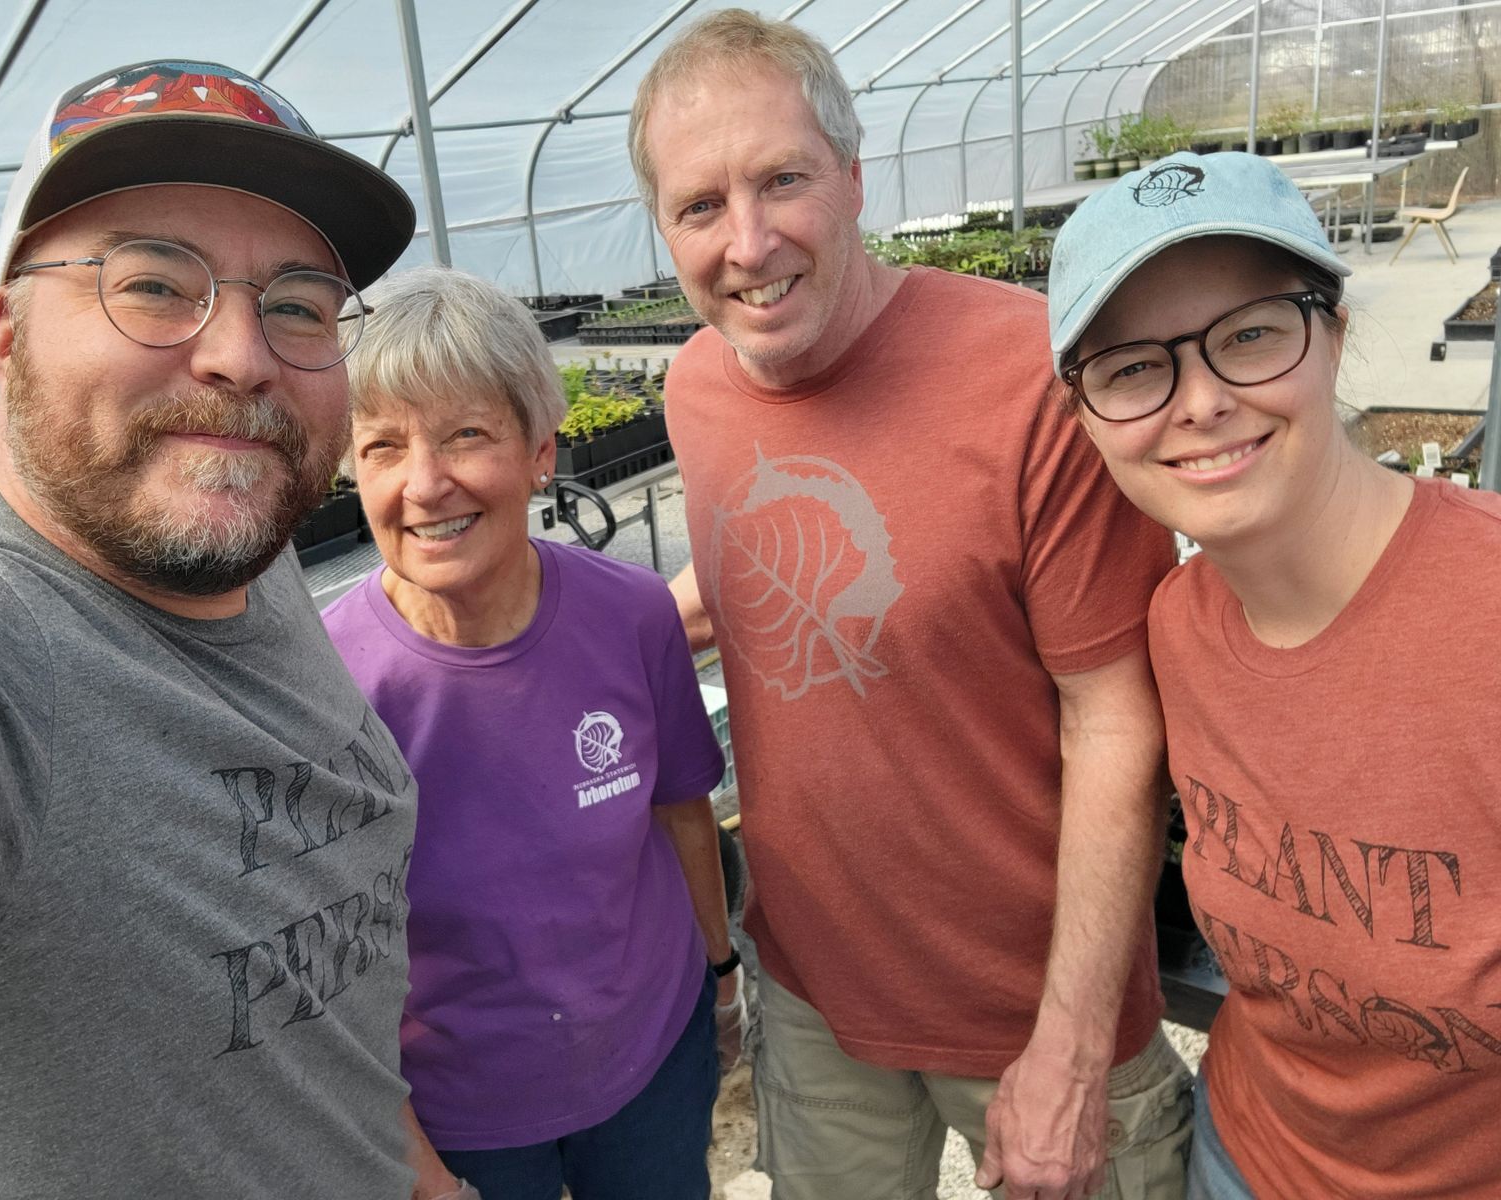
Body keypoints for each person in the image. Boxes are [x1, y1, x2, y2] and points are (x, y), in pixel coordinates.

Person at [628, 11, 1194, 1200]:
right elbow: (743, 584)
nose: (746, 241)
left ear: (851, 176)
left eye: (781, 180)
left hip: (1029, 1008)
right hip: (818, 996)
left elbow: (1117, 717)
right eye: (697, 206)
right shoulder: (693, 387)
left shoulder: (1026, 380)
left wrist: (1074, 1050)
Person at [0, 61, 428, 1198]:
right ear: (4, 339)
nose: (239, 356)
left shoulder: (250, 549)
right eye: (151, 283)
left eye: (295, 305)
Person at [1048, 150, 1501, 1200]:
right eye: (1132, 368)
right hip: (1242, 1159)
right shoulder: (1177, 629)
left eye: (1249, 335)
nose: (1200, 401)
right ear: (1085, 418)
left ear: (1332, 336)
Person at [320, 264, 736, 1200]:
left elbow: (681, 812)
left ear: (542, 452)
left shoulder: (630, 617)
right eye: (383, 446)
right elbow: (333, 962)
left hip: (648, 1064)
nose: (425, 484)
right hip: (460, 1115)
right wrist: (421, 1172)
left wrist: (720, 969)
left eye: (467, 434)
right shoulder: (328, 685)